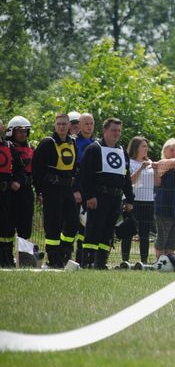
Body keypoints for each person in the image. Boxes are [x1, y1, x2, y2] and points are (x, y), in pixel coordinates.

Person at [79, 117, 134, 269]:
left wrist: (130, 199)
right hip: (98, 197)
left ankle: (101, 262)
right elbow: (85, 176)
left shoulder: (122, 151)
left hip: (115, 198)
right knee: (93, 229)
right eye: (113, 130)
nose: (116, 133)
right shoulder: (94, 149)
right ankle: (88, 262)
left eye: (118, 130)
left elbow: (126, 177)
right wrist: (89, 196)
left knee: (108, 231)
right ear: (105, 130)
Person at [32, 113, 79, 268]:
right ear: (55, 125)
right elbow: (37, 168)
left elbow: (74, 167)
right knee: (53, 225)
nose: (61, 127)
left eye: (64, 124)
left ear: (69, 126)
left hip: (66, 189)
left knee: (72, 223)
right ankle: (53, 258)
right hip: (51, 189)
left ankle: (65, 252)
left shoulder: (72, 142)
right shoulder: (47, 143)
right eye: (58, 124)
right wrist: (39, 191)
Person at [121, 136, 155, 263]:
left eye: (147, 146)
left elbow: (156, 182)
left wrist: (155, 169)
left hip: (148, 201)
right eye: (143, 146)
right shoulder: (129, 162)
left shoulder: (151, 163)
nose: (146, 149)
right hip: (132, 201)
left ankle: (144, 261)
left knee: (145, 234)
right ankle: (125, 260)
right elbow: (130, 181)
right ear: (136, 148)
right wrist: (141, 168)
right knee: (128, 232)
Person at [5, 116, 35, 246]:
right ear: (12, 132)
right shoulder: (6, 147)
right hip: (11, 190)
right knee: (8, 223)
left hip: (27, 189)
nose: (23, 134)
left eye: (25, 131)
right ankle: (6, 256)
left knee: (26, 224)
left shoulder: (31, 148)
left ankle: (23, 255)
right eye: (19, 131)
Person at [0, 119, 25, 267]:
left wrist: (17, 181)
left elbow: (19, 168)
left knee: (6, 226)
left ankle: (6, 258)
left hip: (5, 193)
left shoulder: (9, 146)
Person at [72, 113, 96, 264]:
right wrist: (76, 190)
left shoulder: (96, 144)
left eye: (91, 123)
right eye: (86, 123)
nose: (89, 126)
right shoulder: (74, 142)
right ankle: (63, 258)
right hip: (76, 190)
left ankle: (83, 259)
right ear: (79, 126)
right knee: (70, 226)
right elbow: (73, 169)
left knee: (86, 226)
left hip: (90, 191)